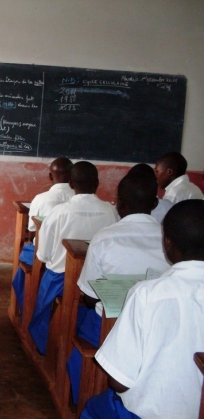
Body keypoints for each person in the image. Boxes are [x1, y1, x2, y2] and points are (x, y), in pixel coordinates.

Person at [81, 199, 204, 419]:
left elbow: (118, 382)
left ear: (167, 242)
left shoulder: (147, 294)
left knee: (93, 408)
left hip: (146, 414)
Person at [67, 172, 170, 404]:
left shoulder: (104, 238)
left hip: (109, 325)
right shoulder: (169, 239)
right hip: (160, 324)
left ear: (119, 203)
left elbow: (90, 296)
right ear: (155, 203)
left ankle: (79, 397)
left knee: (81, 321)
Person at [28, 161, 118, 354]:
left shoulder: (58, 213)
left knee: (43, 300)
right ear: (97, 183)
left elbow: (43, 255)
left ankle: (44, 346)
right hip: (98, 283)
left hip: (62, 278)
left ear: (71, 184)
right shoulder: (112, 212)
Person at [12, 157, 73, 314]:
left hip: (46, 253)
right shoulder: (79, 199)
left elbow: (33, 228)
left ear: (50, 176)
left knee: (24, 267)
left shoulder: (41, 199)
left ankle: (25, 311)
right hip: (77, 257)